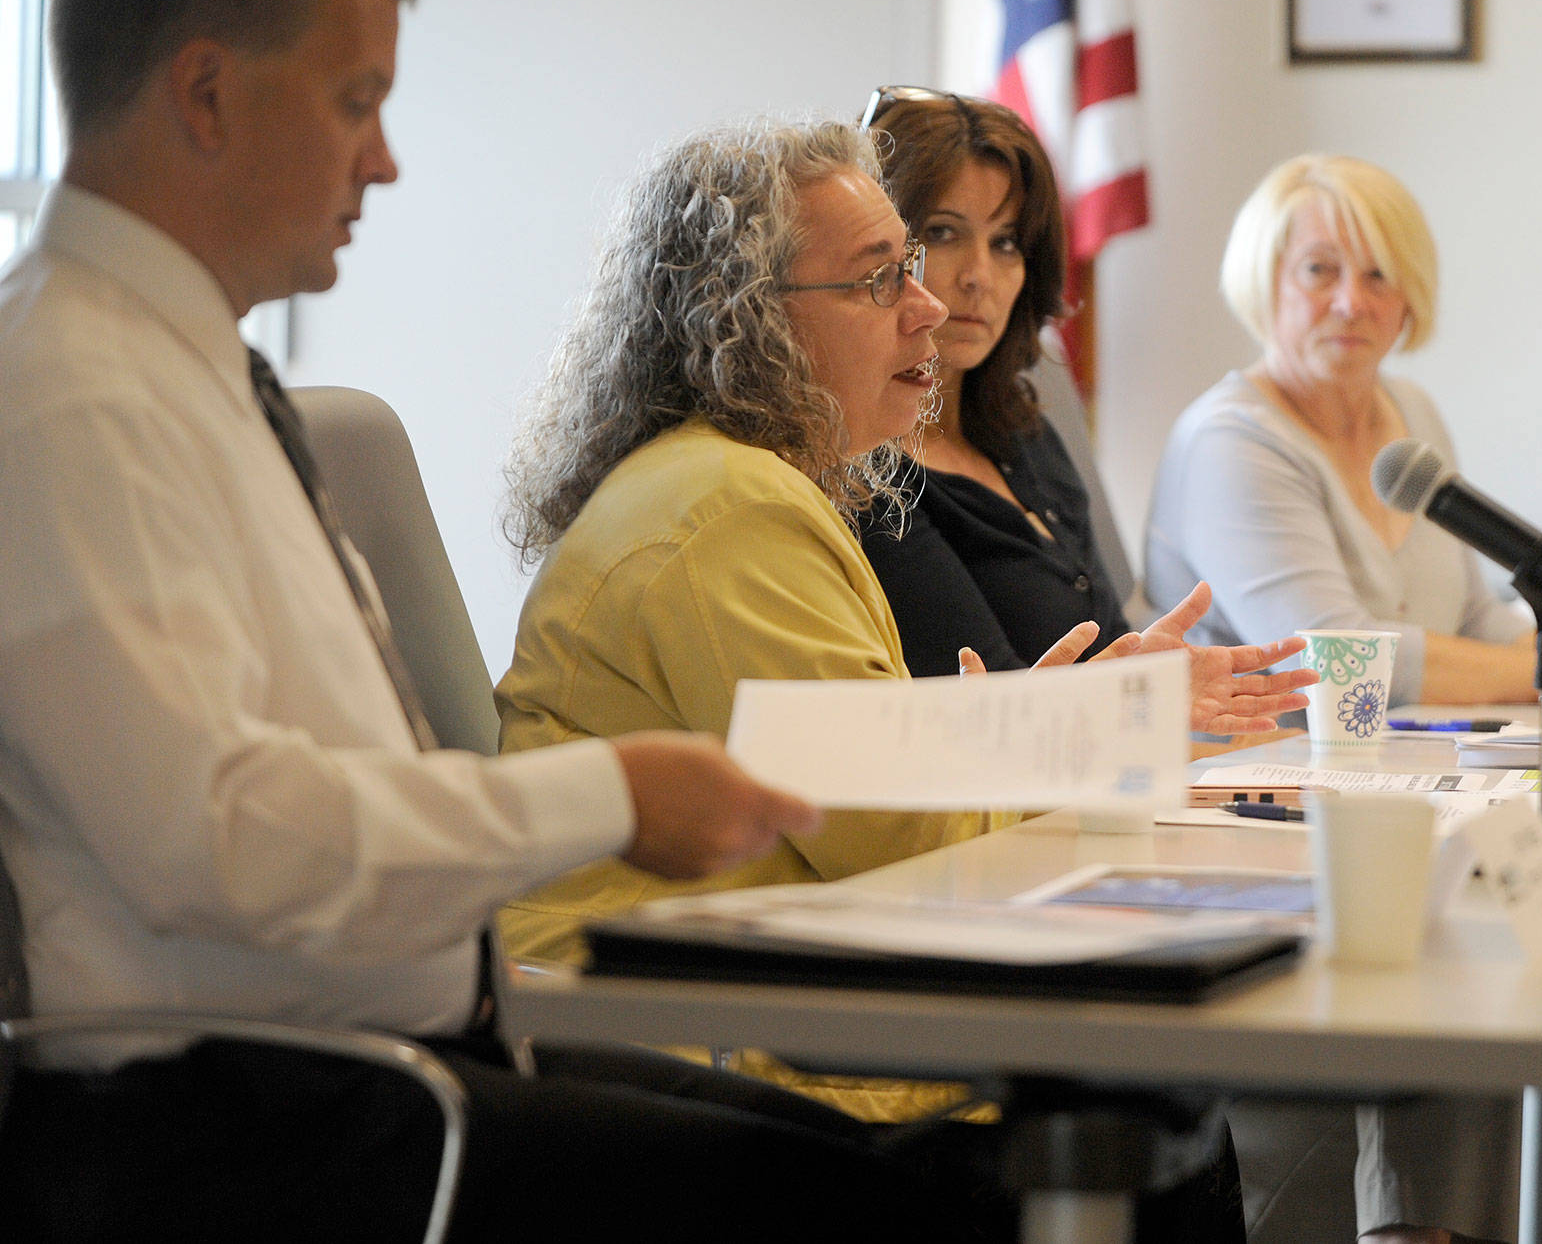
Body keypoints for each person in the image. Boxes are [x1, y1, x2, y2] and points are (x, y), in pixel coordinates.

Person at [0, 0, 1071, 1240]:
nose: (383, 160)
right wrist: (605, 793)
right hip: (243, 1114)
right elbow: (219, 840)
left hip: (395, 1050)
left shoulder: (182, 370)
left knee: (945, 1161)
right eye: (354, 100)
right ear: (205, 93)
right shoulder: (71, 396)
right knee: (935, 1196)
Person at [494, 118, 1314, 970]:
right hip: (691, 1024)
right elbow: (905, 836)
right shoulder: (732, 506)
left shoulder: (742, 480)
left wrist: (1078, 719)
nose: (928, 308)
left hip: (751, 986)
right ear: (748, 319)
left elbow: (888, 800)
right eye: (880, 280)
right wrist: (1092, 737)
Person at [1145, 153, 1542, 708]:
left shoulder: (1411, 411)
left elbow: (1473, 616)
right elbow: (1331, 663)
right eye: (1319, 270)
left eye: (1379, 275)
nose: (1352, 303)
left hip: (1412, 764)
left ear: (1408, 297)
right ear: (1264, 280)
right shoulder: (1229, 441)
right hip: (1250, 777)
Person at [853, 88, 1142, 672]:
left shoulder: (1027, 434)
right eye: (941, 232)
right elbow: (993, 700)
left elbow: (1122, 656)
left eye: (1006, 243)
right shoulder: (864, 472)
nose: (979, 277)